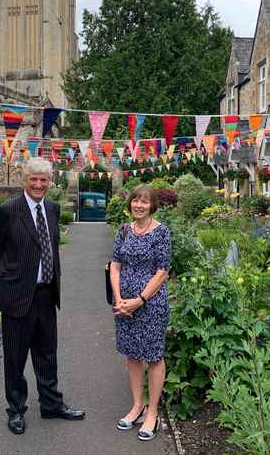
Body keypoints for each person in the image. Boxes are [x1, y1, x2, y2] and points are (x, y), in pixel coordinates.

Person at [0, 157, 85, 435]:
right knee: (15, 358)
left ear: (50, 182)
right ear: (24, 180)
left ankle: (51, 404)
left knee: (47, 353)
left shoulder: (52, 209)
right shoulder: (7, 210)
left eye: (44, 180)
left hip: (45, 294)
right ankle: (16, 410)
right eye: (34, 179)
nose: (39, 184)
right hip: (16, 296)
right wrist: (9, 280)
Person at [109, 184, 171, 441]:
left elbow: (162, 271)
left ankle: (152, 413)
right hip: (124, 305)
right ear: (130, 204)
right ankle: (137, 406)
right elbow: (114, 266)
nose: (139, 205)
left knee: (153, 356)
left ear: (152, 205)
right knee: (133, 355)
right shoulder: (123, 231)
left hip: (151, 304)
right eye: (135, 200)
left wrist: (140, 299)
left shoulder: (161, 233)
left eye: (144, 202)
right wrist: (120, 298)